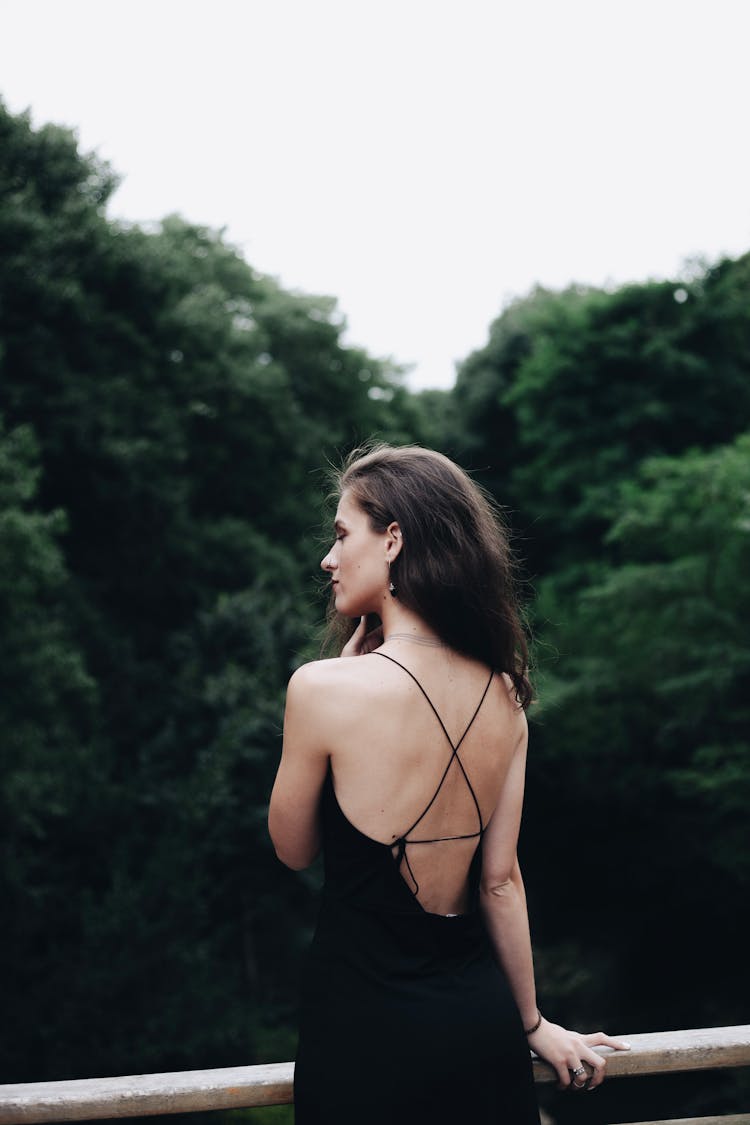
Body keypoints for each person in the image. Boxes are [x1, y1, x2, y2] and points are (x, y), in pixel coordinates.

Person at [268, 444, 629, 1124]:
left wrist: (343, 672)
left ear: (394, 538)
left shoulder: (320, 688)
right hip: (479, 1030)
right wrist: (531, 1021)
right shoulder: (505, 693)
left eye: (343, 534)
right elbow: (500, 881)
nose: (328, 558)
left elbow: (292, 848)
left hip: (361, 1036)